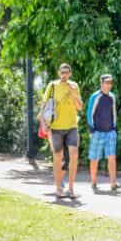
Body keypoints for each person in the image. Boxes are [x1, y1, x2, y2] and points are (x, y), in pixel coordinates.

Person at [40, 63, 83, 199]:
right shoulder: (52, 85)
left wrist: (73, 93)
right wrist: (43, 124)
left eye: (67, 72)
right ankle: (58, 188)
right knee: (58, 157)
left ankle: (71, 189)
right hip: (56, 128)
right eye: (62, 72)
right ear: (59, 73)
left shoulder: (74, 86)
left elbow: (80, 107)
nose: (64, 74)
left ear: (70, 74)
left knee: (74, 155)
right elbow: (44, 106)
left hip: (71, 126)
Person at [86, 74, 121, 193]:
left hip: (110, 132)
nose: (108, 85)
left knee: (112, 157)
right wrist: (91, 129)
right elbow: (90, 113)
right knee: (94, 158)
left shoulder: (112, 96)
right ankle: (93, 182)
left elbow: (114, 113)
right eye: (106, 82)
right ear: (101, 83)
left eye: (110, 83)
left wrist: (114, 127)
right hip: (97, 132)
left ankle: (112, 184)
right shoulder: (95, 96)